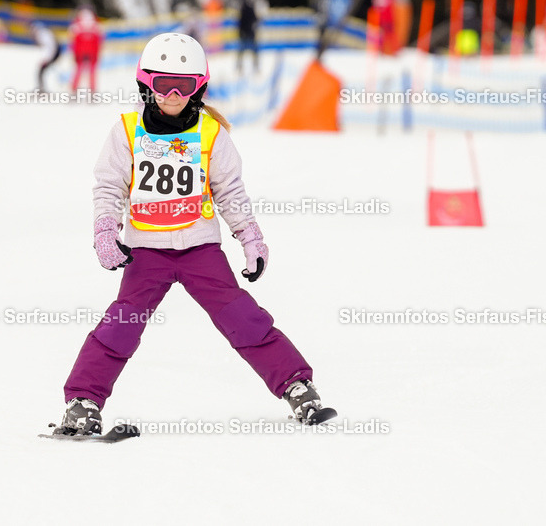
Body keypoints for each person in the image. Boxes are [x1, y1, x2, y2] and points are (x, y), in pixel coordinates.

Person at [54, 33, 336, 436]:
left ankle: (296, 386)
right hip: (146, 251)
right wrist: (104, 230)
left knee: (242, 317)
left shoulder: (210, 133)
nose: (172, 94)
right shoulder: (128, 129)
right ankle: (83, 402)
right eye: (162, 84)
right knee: (122, 324)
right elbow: (108, 185)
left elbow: (230, 191)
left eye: (183, 86)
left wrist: (249, 236)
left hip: (200, 248)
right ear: (144, 84)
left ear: (199, 87)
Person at [69, 8, 102, 96]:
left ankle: (74, 90)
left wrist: (75, 54)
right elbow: (98, 42)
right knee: (90, 72)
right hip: (91, 53)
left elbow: (74, 42)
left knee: (79, 71)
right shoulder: (96, 26)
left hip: (81, 53)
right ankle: (92, 92)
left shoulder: (77, 26)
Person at [32, 23, 60, 93]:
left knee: (42, 71)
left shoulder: (43, 35)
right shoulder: (44, 33)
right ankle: (41, 88)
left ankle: (42, 89)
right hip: (53, 53)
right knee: (42, 71)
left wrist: (46, 59)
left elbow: (50, 47)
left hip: (53, 54)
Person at [236, 0, 259, 74]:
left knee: (242, 52)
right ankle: (255, 66)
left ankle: (240, 66)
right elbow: (255, 20)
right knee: (252, 51)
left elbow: (240, 23)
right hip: (249, 33)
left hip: (245, 34)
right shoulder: (250, 9)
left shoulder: (243, 10)